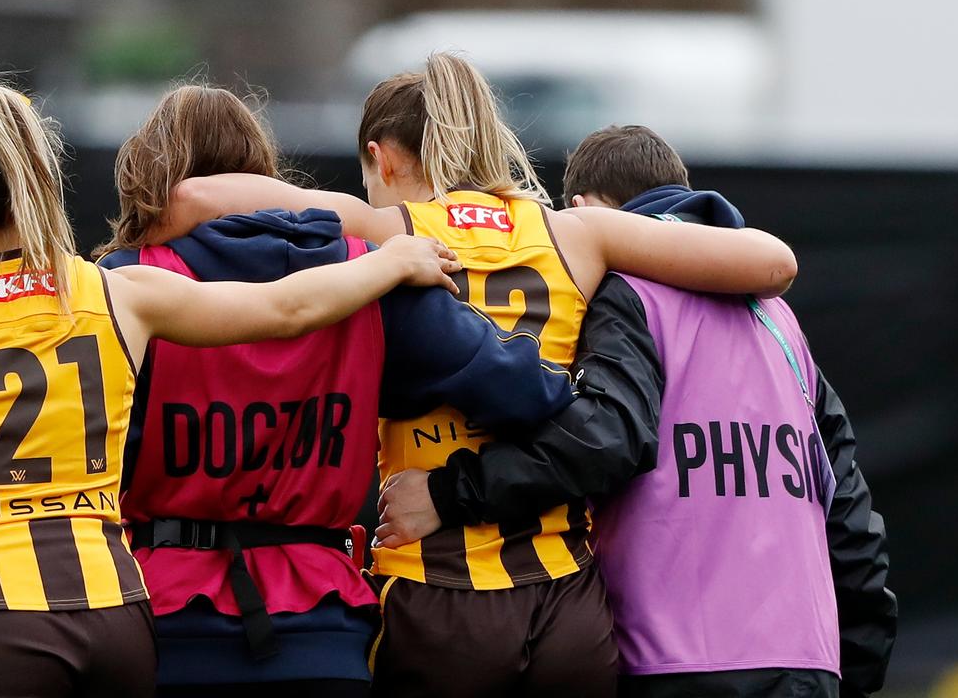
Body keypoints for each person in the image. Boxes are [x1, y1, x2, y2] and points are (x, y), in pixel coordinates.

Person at [0, 76, 467, 698]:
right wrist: (391, 257)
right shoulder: (116, 293)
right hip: (117, 617)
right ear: (41, 180)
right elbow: (287, 309)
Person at [162, 52, 797, 697]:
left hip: (434, 585)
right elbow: (772, 262)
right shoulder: (576, 232)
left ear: (382, 160)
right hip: (566, 596)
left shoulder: (389, 229)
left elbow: (196, 196)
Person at [92, 84, 576, 698]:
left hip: (168, 627)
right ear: (260, 168)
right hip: (324, 629)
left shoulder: (129, 284)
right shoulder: (370, 269)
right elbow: (520, 390)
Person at [379, 125, 898, 698]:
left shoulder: (627, 291)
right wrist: (855, 667)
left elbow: (602, 438)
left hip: (669, 661)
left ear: (579, 210)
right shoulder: (782, 323)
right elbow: (848, 517)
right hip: (805, 663)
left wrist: (448, 493)